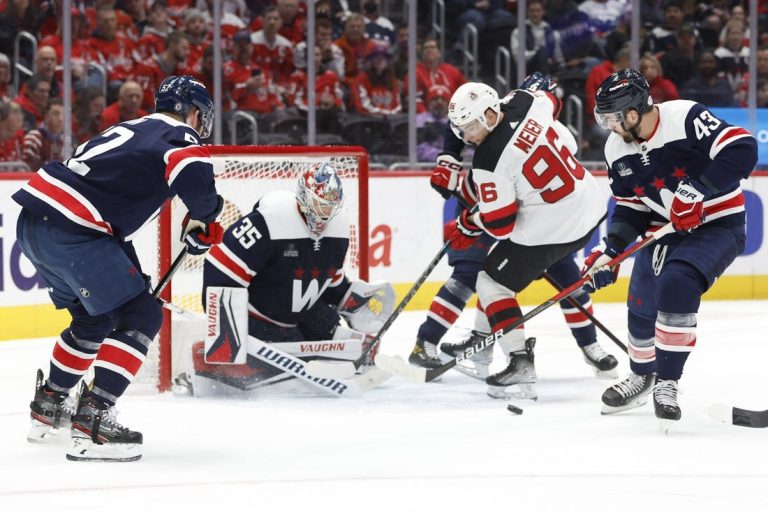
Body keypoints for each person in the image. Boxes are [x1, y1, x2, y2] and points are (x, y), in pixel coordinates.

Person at [15, 76, 222, 461]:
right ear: (192, 111)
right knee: (142, 314)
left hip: (35, 222)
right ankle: (93, 422)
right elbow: (191, 169)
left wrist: (196, 220)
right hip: (76, 229)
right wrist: (207, 215)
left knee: (93, 321)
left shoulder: (131, 127)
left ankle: (49, 407)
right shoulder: (180, 134)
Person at [410, 73, 617, 387]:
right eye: (462, 130)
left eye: (473, 128)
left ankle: (519, 361)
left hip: (551, 225)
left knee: (492, 282)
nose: (467, 137)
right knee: (513, 270)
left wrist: (467, 222)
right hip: (588, 208)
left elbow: (499, 223)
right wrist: (449, 158)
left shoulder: (489, 162)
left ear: (491, 114)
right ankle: (482, 343)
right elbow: (551, 97)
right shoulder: (525, 102)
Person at [584, 68, 756, 425]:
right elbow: (631, 207)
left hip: (717, 225)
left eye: (613, 117)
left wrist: (696, 190)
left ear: (633, 113)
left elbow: (742, 148)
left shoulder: (685, 117)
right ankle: (641, 375)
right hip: (665, 228)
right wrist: (611, 249)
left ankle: (667, 381)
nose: (609, 126)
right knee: (642, 301)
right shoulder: (616, 148)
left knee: (677, 284)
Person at [191, 163, 394, 393]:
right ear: (304, 198)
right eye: (319, 205)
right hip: (256, 318)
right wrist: (225, 331)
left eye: (330, 207)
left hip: (296, 315)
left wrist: (350, 298)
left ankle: (345, 346)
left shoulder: (338, 229)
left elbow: (328, 283)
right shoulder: (269, 220)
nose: (324, 214)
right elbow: (221, 266)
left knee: (350, 341)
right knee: (282, 358)